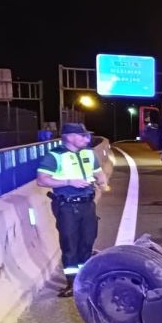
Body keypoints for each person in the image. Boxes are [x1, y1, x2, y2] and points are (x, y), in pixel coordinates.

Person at [36, 123, 109, 297]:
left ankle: (84, 280)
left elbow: (98, 172)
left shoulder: (89, 153)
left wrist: (103, 183)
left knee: (87, 242)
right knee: (70, 245)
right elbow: (42, 180)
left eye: (86, 136)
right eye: (82, 136)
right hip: (66, 206)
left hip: (87, 205)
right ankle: (72, 284)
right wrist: (69, 182)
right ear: (68, 137)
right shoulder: (55, 156)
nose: (86, 139)